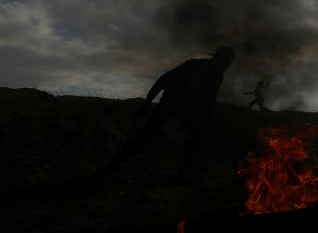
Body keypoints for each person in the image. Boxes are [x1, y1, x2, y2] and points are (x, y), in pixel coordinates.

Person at [93, 46, 236, 185]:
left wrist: (205, 117)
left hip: (188, 110)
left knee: (198, 138)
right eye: (226, 61)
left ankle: (181, 174)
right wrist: (147, 103)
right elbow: (164, 80)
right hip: (170, 104)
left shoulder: (218, 74)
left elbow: (209, 98)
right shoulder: (193, 65)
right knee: (145, 135)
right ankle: (109, 169)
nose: (226, 66)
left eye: (228, 63)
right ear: (218, 58)